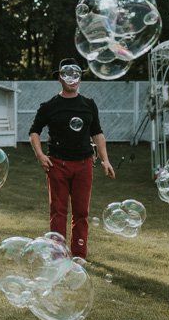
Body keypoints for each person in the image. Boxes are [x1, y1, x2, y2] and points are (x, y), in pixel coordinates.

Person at [29, 59, 115, 259]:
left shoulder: (88, 105)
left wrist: (105, 160)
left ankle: (79, 256)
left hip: (84, 164)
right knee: (58, 212)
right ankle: (57, 255)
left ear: (80, 77)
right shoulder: (49, 106)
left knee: (81, 213)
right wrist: (40, 155)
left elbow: (98, 134)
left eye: (76, 74)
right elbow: (34, 132)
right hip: (57, 164)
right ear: (59, 77)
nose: (72, 79)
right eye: (67, 74)